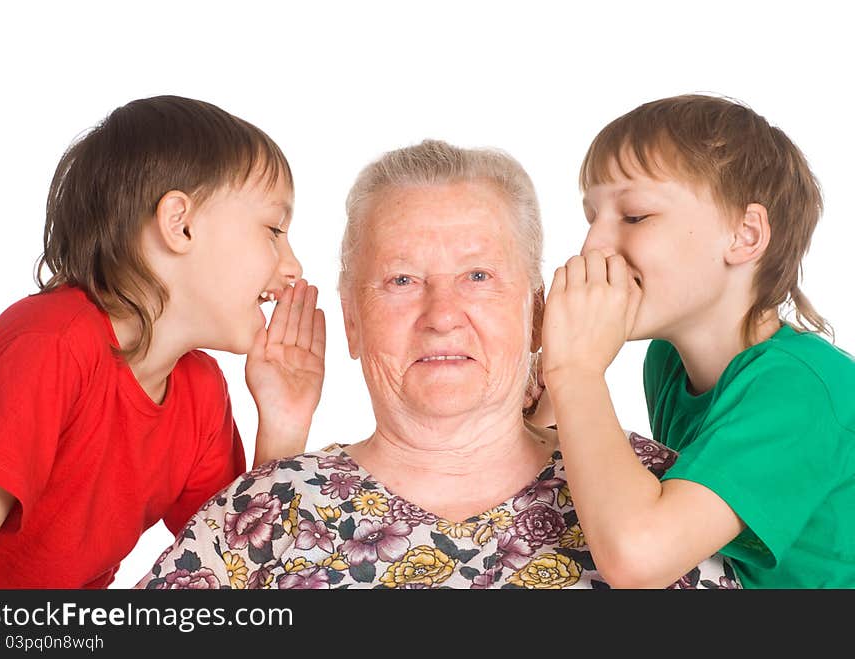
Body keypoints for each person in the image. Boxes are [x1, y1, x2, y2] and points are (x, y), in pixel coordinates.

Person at [135, 139, 737, 589]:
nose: (441, 314)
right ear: (351, 322)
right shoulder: (261, 511)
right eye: (401, 280)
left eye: (478, 277)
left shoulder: (666, 496)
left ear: (536, 314)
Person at [0, 96, 326, 588]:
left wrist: (283, 427)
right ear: (179, 223)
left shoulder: (200, 391)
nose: (292, 267)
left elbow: (234, 566)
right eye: (273, 230)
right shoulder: (51, 344)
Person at [540, 94, 855, 588]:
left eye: (635, 216)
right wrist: (546, 376)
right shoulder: (665, 361)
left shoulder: (801, 391)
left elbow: (639, 557)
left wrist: (576, 373)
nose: (593, 246)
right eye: (591, 218)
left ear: (745, 236)